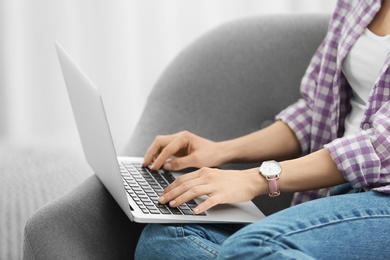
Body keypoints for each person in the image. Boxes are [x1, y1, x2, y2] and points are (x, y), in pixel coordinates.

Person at [135, 0, 390, 258]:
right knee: (166, 238)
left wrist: (255, 179)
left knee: (253, 248)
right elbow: (318, 109)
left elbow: (381, 148)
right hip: (341, 192)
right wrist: (221, 150)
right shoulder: (355, 3)